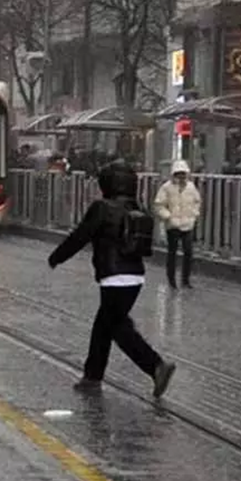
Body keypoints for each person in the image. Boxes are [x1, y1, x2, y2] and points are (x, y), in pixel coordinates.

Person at [47, 162, 177, 398]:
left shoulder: (102, 208)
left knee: (116, 327)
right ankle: (92, 376)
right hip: (135, 276)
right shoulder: (136, 207)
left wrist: (57, 257)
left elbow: (80, 236)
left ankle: (156, 366)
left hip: (113, 276)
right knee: (105, 325)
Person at [153, 160, 202, 289]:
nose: (181, 176)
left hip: (187, 224)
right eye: (178, 173)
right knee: (172, 253)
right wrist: (168, 217)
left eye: (183, 173)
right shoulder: (166, 187)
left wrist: (194, 215)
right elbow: (159, 205)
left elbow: (197, 201)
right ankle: (172, 280)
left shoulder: (191, 187)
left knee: (188, 252)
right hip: (173, 225)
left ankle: (185, 280)